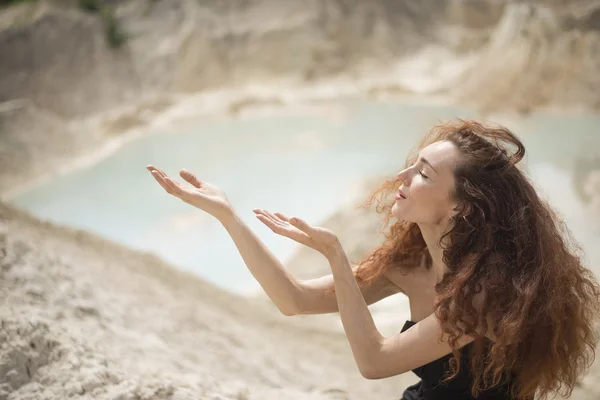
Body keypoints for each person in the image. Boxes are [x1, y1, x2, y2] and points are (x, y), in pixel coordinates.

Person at [146, 120, 600, 400]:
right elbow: (294, 300)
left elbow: (374, 362)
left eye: (422, 173)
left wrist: (337, 257)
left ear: (462, 206)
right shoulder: (411, 261)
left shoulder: (485, 294)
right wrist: (227, 215)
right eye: (412, 163)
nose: (401, 176)